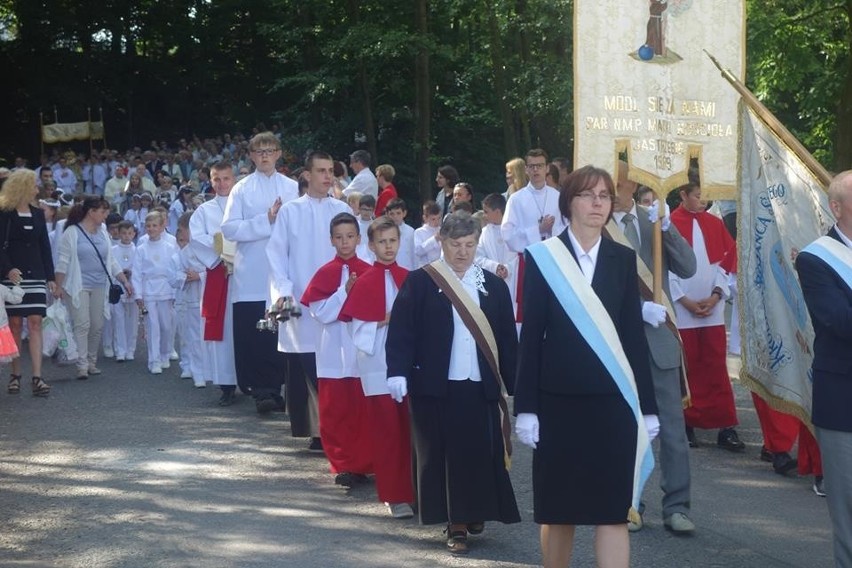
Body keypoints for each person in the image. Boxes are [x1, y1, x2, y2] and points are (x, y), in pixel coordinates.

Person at [514, 166, 658, 568]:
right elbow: (532, 335)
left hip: (613, 404)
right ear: (569, 203)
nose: (598, 203)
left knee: (611, 510)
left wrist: (647, 407)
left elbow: (632, 336)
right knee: (558, 511)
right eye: (588, 195)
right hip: (558, 403)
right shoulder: (543, 258)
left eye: (605, 196)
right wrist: (526, 406)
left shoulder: (622, 258)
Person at [385, 211, 520, 553]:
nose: (463, 251)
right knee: (447, 455)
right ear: (441, 242)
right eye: (455, 244)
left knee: (480, 452)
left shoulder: (494, 287)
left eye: (470, 244)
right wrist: (397, 371)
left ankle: (476, 511)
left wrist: (519, 385)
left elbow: (507, 340)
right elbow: (402, 332)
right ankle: (456, 523)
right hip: (436, 384)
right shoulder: (420, 282)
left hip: (480, 383)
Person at [610, 165, 697, 534]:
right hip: (620, 339)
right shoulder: (597, 229)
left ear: (634, 183)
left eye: (620, 180)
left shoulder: (652, 223)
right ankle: (630, 503)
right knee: (626, 428)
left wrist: (667, 228)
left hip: (659, 339)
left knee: (672, 431)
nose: (614, 187)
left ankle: (676, 506)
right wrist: (634, 309)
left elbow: (690, 268)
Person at [267, 151, 351, 441]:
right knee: (307, 363)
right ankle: (316, 429)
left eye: (331, 171)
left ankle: (335, 428)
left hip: (336, 297)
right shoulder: (291, 211)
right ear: (307, 175)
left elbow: (355, 251)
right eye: (321, 171)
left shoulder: (342, 210)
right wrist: (284, 293)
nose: (328, 176)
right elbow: (277, 255)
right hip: (301, 298)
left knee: (335, 365)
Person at [339, 216, 414, 519]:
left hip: (409, 367)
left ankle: (415, 489)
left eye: (393, 241)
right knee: (387, 432)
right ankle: (394, 494)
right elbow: (357, 332)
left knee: (410, 430)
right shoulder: (365, 281)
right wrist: (385, 319)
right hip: (377, 365)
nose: (388, 247)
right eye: (382, 242)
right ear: (370, 245)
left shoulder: (411, 277)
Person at [795, 169, 852, 567]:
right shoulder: (816, 258)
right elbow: (838, 321)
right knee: (848, 508)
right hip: (844, 398)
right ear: (837, 208)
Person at [221, 132, 299, 413]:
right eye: (259, 151)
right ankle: (262, 391)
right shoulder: (241, 189)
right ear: (251, 156)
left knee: (281, 330)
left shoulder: (291, 187)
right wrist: (266, 220)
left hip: (281, 270)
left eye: (270, 150)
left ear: (279, 154)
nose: (265, 155)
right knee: (255, 334)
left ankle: (283, 386)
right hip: (252, 271)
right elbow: (229, 228)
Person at [668, 182, 744, 451]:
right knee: (688, 366)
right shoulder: (670, 224)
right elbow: (666, 268)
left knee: (715, 367)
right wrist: (685, 301)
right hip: (683, 309)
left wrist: (715, 296)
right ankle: (686, 423)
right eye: (698, 196)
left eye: (706, 196)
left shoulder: (715, 223)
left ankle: (726, 426)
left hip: (712, 309)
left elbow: (725, 265)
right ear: (683, 195)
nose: (703, 201)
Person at [300, 212, 373, 486]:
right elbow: (321, 313)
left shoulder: (369, 271)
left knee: (361, 409)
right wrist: (344, 291)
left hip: (359, 351)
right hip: (331, 350)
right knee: (335, 410)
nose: (345, 242)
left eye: (350, 236)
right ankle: (342, 464)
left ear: (358, 238)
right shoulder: (325, 273)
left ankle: (363, 463)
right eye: (339, 237)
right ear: (332, 240)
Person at [54, 196, 134, 381]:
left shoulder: (103, 232)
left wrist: (124, 281)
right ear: (91, 212)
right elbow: (63, 262)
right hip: (78, 285)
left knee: (97, 325)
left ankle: (91, 362)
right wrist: (58, 286)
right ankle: (82, 365)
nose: (106, 216)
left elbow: (111, 260)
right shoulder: (72, 232)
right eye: (103, 212)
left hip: (100, 285)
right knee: (82, 324)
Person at [0, 169, 58, 397]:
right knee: (14, 324)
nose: (37, 188)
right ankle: (15, 375)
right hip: (12, 275)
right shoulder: (4, 213)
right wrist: (7, 268)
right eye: (33, 185)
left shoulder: (37, 214)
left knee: (35, 322)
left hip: (36, 275)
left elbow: (45, 247)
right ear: (22, 187)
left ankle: (37, 377)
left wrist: (51, 278)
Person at [190, 161, 239, 405]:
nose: (221, 184)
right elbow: (197, 239)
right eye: (216, 179)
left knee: (244, 325)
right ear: (210, 181)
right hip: (219, 272)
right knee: (223, 330)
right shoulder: (204, 211)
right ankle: (226, 383)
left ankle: (252, 380)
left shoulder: (245, 206)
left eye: (226, 178)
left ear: (234, 179)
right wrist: (223, 249)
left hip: (245, 274)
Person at [501, 148, 566, 322]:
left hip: (555, 261)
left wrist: (550, 231)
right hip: (528, 262)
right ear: (527, 170)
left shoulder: (558, 198)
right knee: (530, 314)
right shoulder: (516, 200)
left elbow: (568, 229)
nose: (536, 170)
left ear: (547, 169)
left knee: (555, 310)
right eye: (532, 166)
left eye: (540, 166)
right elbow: (507, 234)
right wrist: (538, 230)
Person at [132, 211, 178, 374]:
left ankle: (165, 354)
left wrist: (175, 292)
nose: (151, 229)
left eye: (154, 226)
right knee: (153, 326)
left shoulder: (170, 247)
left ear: (162, 227)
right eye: (148, 226)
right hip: (149, 290)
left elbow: (174, 270)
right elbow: (136, 273)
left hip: (166, 289)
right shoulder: (142, 248)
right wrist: (138, 294)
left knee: (166, 326)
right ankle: (154, 360)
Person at [169, 213, 205, 387]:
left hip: (208, 297)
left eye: (183, 230)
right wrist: (185, 277)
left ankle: (209, 369)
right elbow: (173, 277)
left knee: (208, 337)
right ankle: (197, 373)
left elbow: (216, 269)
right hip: (191, 300)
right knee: (194, 337)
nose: (181, 235)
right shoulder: (182, 254)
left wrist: (200, 275)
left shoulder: (206, 248)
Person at [477, 193, 519, 322]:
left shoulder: (515, 230)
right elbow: (477, 257)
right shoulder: (484, 232)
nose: (483, 215)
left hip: (514, 279)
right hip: (492, 279)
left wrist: (508, 268)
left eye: (486, 211)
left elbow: (520, 255)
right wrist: (495, 267)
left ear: (497, 212)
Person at [111, 221, 138, 362]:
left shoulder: (137, 250)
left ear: (133, 234)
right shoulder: (114, 250)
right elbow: (111, 267)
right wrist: (121, 273)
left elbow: (140, 269)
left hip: (133, 287)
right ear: (119, 233)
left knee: (132, 320)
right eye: (124, 233)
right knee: (119, 319)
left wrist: (131, 272)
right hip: (118, 287)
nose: (127, 236)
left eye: (129, 233)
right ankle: (120, 350)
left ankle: (130, 349)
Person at [385, 198, 414, 270]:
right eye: (392, 214)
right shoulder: (384, 231)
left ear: (404, 213)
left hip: (407, 269)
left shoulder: (410, 231)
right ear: (387, 214)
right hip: (390, 269)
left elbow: (414, 254)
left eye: (398, 213)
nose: (395, 217)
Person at [414, 201, 441, 268]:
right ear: (425, 218)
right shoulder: (419, 232)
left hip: (441, 267)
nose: (437, 222)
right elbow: (418, 251)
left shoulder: (442, 231)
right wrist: (434, 239)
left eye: (439, 218)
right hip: (425, 267)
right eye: (433, 219)